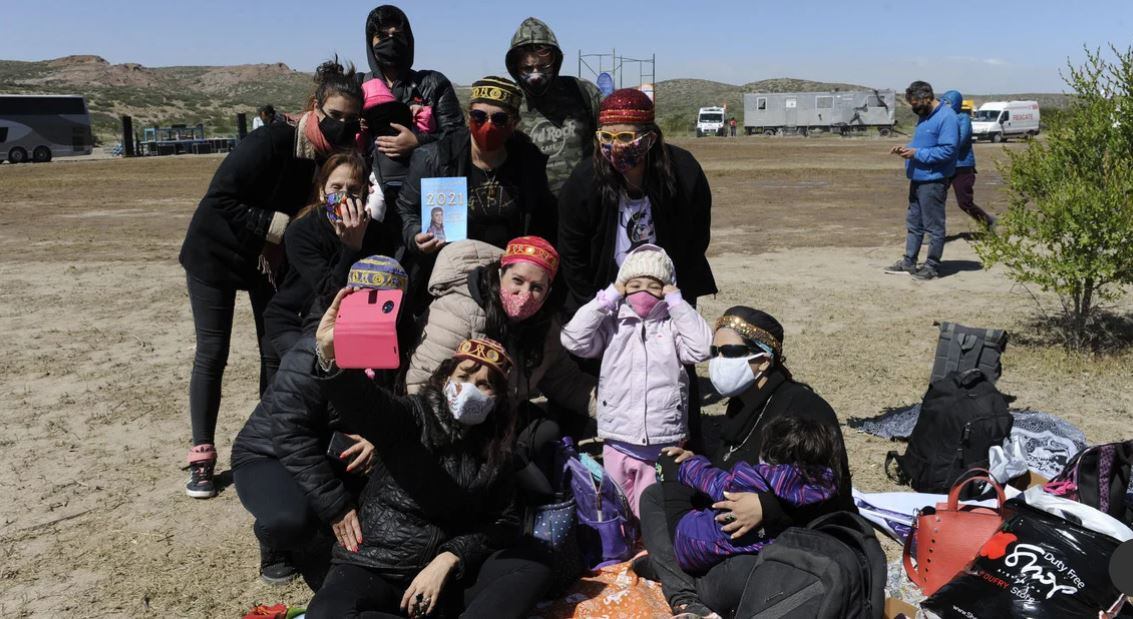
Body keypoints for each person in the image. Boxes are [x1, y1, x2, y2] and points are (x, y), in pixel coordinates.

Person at [178, 59, 363, 498]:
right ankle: (202, 456)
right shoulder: (272, 140)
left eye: (351, 121)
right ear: (313, 107)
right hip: (215, 255)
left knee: (272, 351)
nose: (342, 127)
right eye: (335, 116)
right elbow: (220, 198)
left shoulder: (324, 159)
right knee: (212, 351)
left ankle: (270, 439)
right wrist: (284, 228)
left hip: (265, 263)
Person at [307, 303, 552, 618]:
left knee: (534, 562)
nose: (471, 389)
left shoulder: (497, 449)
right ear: (445, 378)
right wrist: (331, 357)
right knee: (328, 614)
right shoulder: (413, 416)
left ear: (498, 399)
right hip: (377, 566)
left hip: (445, 579)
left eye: (484, 384)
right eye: (464, 376)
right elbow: (364, 404)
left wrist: (449, 558)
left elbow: (503, 523)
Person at [634, 307, 854, 619]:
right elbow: (730, 474)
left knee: (736, 580)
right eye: (715, 352)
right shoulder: (741, 406)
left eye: (728, 352)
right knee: (655, 496)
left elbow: (830, 492)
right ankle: (686, 595)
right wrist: (692, 465)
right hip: (730, 531)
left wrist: (768, 508)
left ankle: (674, 572)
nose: (717, 361)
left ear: (763, 360)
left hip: (785, 540)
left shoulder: (804, 410)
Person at [232, 256, 408, 587]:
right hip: (269, 455)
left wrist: (378, 437)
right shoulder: (311, 350)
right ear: (346, 298)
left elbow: (406, 406)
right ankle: (272, 539)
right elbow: (289, 434)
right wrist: (335, 505)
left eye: (387, 302)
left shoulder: (400, 348)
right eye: (363, 297)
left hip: (338, 454)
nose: (374, 310)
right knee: (292, 520)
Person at [558, 87, 715, 450]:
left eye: (627, 136)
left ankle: (683, 447)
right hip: (608, 292)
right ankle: (599, 445)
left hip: (665, 293)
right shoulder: (584, 183)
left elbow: (696, 235)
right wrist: (598, 303)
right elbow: (573, 252)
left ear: (650, 137)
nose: (617, 146)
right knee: (605, 368)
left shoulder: (683, 172)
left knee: (674, 368)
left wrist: (672, 293)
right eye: (607, 138)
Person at [559, 244, 712, 516]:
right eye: (634, 284)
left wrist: (678, 304)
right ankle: (619, 551)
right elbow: (573, 339)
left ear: (667, 289)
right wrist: (608, 297)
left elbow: (701, 348)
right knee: (616, 507)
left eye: (654, 285)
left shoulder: (672, 324)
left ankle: (650, 552)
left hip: (662, 439)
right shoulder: (612, 323)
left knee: (652, 510)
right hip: (617, 436)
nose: (643, 291)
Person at [406, 236, 593, 417]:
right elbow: (422, 382)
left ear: (547, 292)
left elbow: (568, 382)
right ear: (500, 274)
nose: (524, 294)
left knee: (545, 433)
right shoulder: (459, 311)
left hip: (497, 416)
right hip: (450, 417)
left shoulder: (545, 326)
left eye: (536, 288)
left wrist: (616, 409)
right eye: (517, 281)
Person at [659, 416, 841, 574]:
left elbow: (712, 480)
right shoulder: (821, 489)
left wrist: (688, 463)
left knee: (656, 492)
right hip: (760, 555)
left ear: (770, 455)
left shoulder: (750, 480)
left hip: (694, 542)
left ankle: (671, 573)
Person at [398, 76, 556, 256]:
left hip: (509, 269)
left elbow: (543, 218)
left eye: (499, 119)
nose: (488, 126)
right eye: (479, 116)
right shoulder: (435, 158)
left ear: (514, 123)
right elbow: (406, 209)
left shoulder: (529, 162)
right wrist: (415, 235)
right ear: (468, 117)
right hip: (451, 266)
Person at [263, 153, 397, 362]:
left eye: (353, 190)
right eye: (336, 188)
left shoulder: (376, 232)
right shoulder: (301, 230)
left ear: (365, 192)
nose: (344, 196)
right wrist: (351, 247)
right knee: (308, 374)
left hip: (350, 321)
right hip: (295, 320)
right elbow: (328, 291)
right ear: (322, 191)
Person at [504, 17, 601, 199]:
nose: (535, 75)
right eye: (527, 68)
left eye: (543, 66)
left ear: (555, 62)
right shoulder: (511, 102)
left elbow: (611, 139)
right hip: (533, 210)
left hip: (584, 204)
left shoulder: (582, 92)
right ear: (515, 67)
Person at [361, 5, 463, 160]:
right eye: (382, 37)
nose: (391, 42)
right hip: (370, 181)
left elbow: (457, 138)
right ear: (371, 43)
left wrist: (418, 141)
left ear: (408, 41)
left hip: (425, 179)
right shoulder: (359, 86)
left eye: (397, 36)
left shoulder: (434, 84)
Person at [885, 80, 959, 281]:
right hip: (917, 178)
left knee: (934, 226)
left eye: (915, 103)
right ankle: (909, 262)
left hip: (933, 180)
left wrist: (917, 153)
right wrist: (906, 148)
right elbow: (923, 145)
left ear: (926, 98)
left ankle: (932, 265)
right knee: (914, 223)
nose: (913, 107)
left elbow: (948, 150)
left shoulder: (947, 117)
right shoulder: (925, 116)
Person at [939, 90, 996, 229]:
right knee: (936, 200)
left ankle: (987, 221)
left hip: (962, 165)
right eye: (943, 102)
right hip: (944, 165)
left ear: (956, 104)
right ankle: (934, 231)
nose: (945, 105)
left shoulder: (962, 118)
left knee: (964, 202)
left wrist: (943, 149)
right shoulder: (940, 118)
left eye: (948, 102)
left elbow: (961, 139)